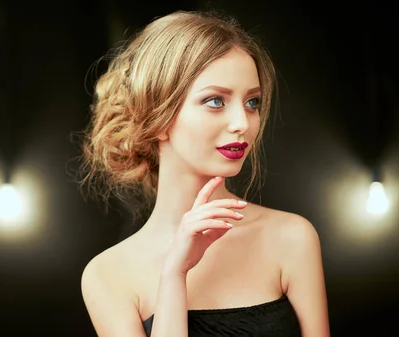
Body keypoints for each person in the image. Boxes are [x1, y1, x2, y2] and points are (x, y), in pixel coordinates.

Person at [77, 10, 330, 337]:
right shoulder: (107, 275)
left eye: (252, 102)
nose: (242, 123)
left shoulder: (292, 237)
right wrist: (174, 274)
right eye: (215, 101)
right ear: (159, 116)